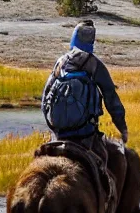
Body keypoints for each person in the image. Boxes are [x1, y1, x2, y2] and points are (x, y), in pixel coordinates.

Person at [41, 20, 128, 176]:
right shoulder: (94, 64)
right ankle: (107, 197)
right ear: (91, 42)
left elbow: (45, 99)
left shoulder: (60, 63)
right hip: (85, 134)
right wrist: (122, 128)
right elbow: (111, 98)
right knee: (105, 164)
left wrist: (53, 125)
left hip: (58, 134)